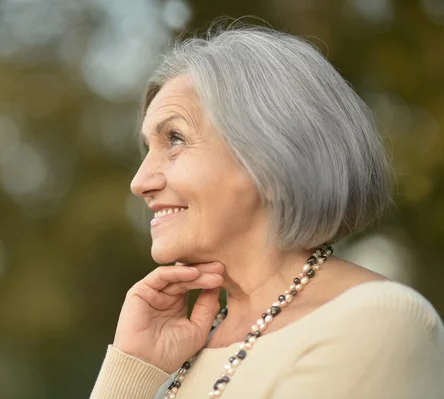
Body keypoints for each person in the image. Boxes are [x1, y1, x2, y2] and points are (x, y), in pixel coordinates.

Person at [89, 26, 444, 399]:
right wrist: (131, 370)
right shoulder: (180, 355)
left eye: (174, 139)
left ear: (271, 162)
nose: (140, 181)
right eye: (147, 149)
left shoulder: (373, 322)